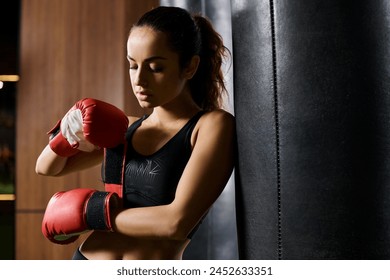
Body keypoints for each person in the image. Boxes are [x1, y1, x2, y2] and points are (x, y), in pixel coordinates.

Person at [35, 6, 235, 260]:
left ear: (189, 67)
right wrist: (67, 131)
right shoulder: (123, 127)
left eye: (155, 67)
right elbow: (47, 167)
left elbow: (175, 223)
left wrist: (92, 213)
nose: (139, 79)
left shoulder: (210, 126)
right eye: (132, 65)